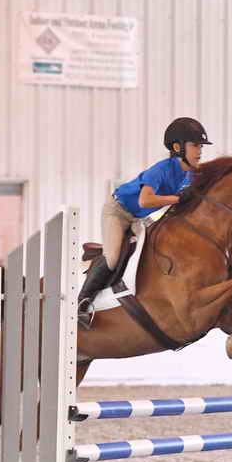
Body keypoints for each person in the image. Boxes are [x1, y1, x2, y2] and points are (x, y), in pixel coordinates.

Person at [78, 117, 212, 326]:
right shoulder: (162, 169)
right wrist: (178, 199)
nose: (200, 151)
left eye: (201, 146)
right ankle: (81, 303)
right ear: (178, 147)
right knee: (112, 258)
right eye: (195, 145)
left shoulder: (191, 175)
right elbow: (145, 200)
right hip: (118, 211)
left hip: (138, 217)